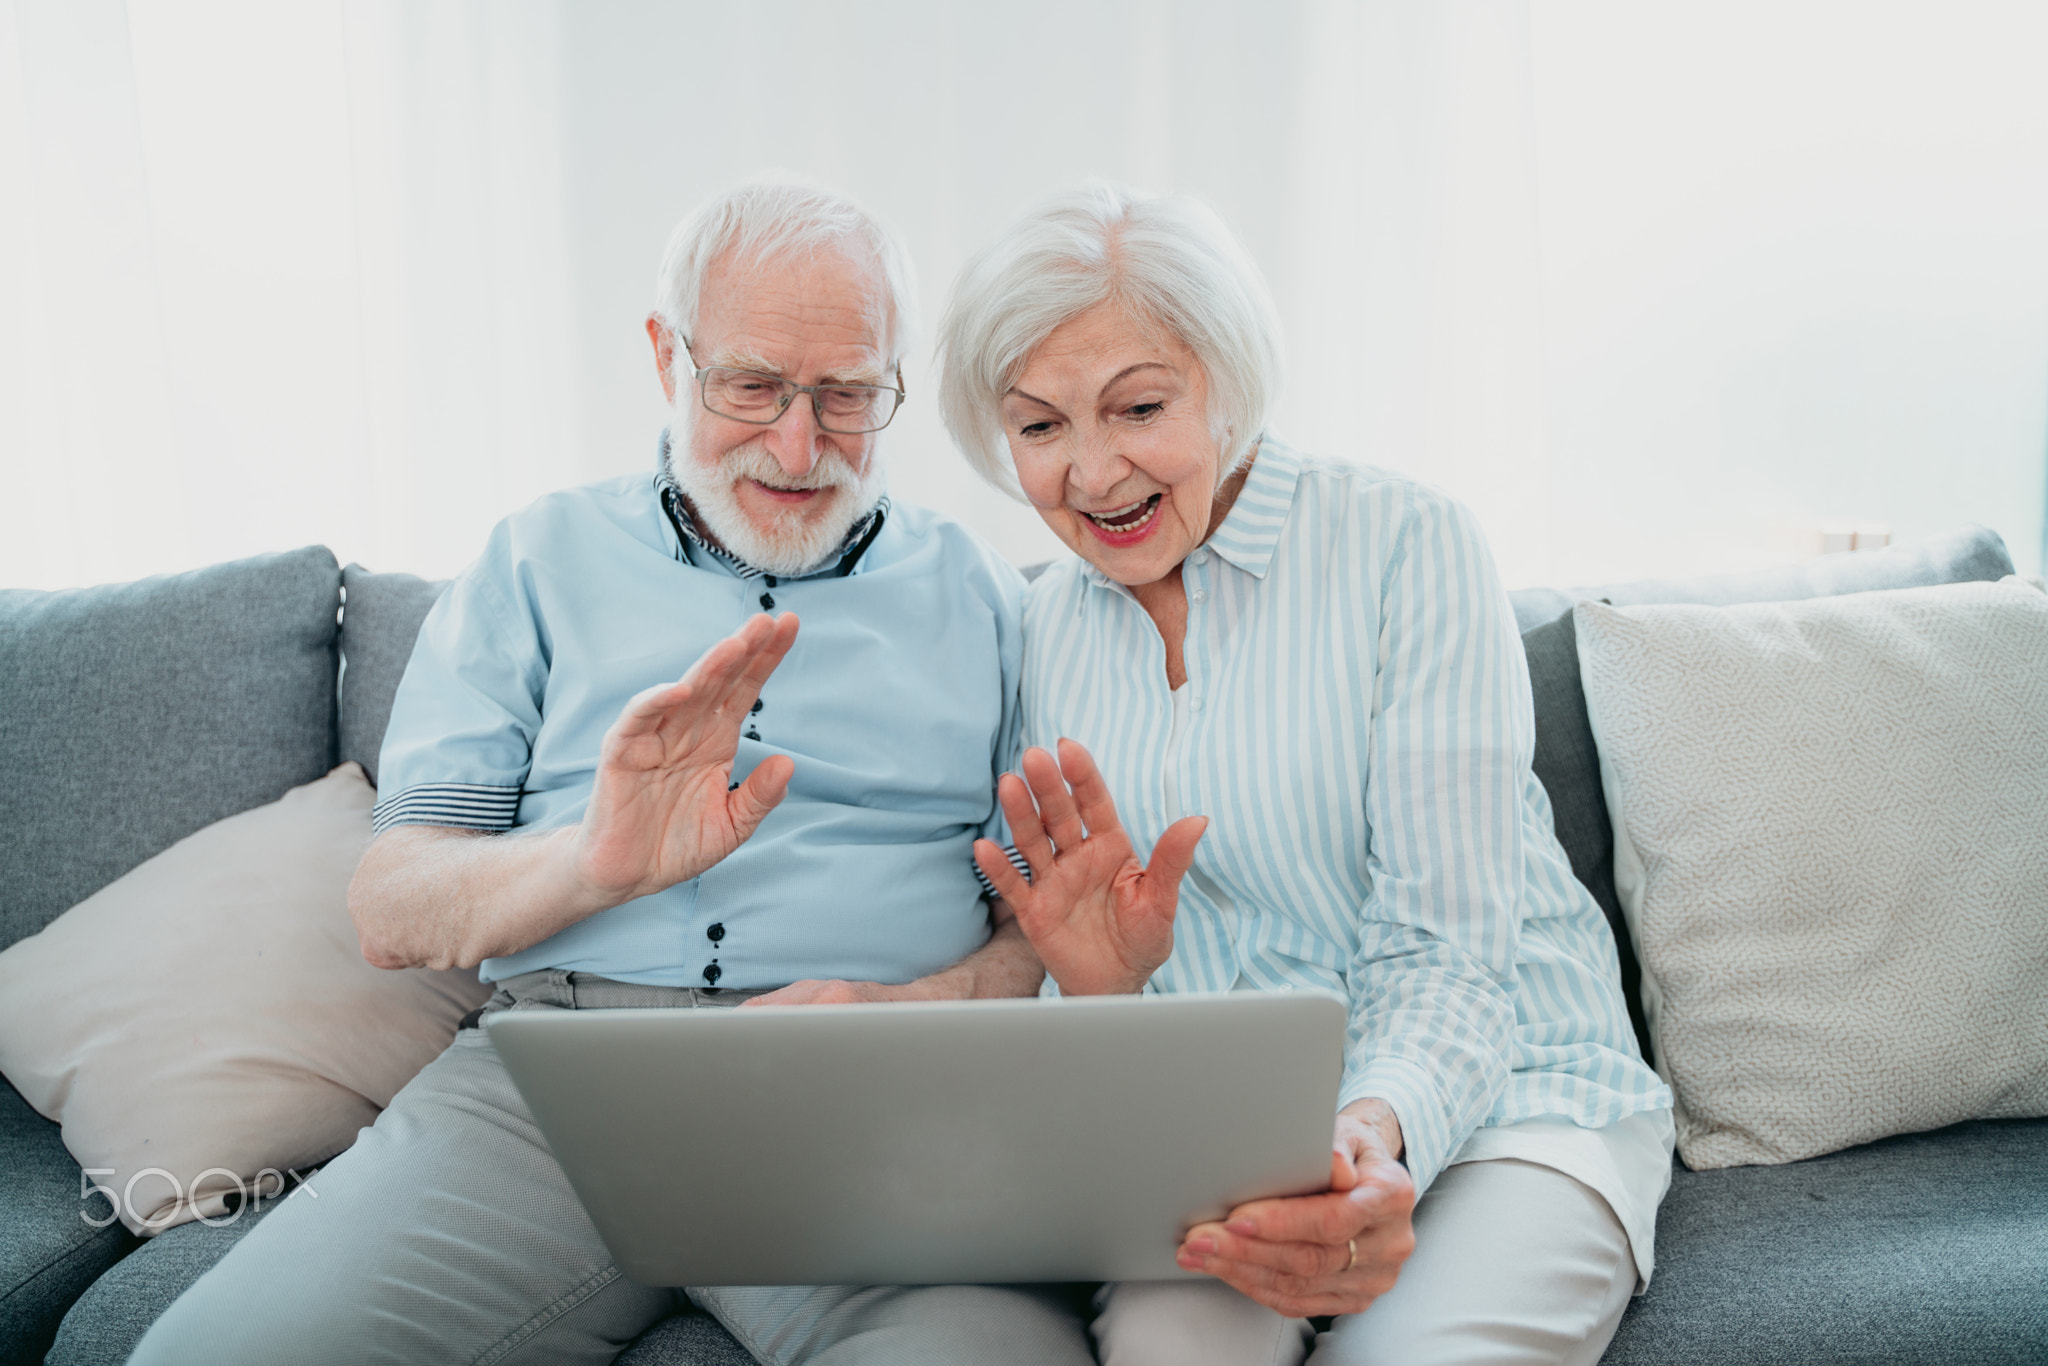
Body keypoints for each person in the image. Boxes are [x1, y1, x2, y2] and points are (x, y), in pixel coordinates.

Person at [130, 180, 1098, 1366]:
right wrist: (588, 857)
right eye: (750, 387)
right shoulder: (537, 559)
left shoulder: (990, 602)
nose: (797, 448)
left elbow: (1040, 935)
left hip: (871, 1098)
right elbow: (392, 905)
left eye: (844, 395)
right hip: (553, 1096)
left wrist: (906, 1013)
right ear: (664, 358)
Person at [940, 183, 1678, 1366]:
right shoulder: (1044, 631)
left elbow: (1448, 945)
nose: (1089, 473)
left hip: (1506, 1102)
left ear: (1227, 379)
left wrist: (1367, 1136)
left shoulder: (1404, 545)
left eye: (1138, 406)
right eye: (1037, 428)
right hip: (1221, 1155)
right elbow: (1099, 978)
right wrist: (1098, 992)